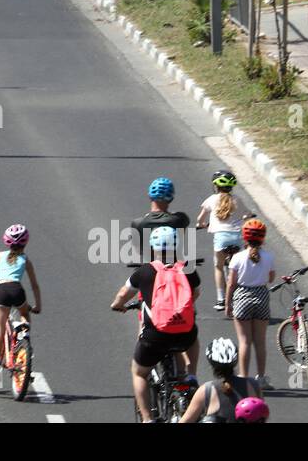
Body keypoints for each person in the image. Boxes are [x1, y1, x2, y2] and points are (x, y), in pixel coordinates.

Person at [110, 225, 201, 423]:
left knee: (139, 373)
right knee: (192, 335)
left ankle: (147, 418)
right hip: (183, 332)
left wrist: (117, 305)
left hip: (156, 335)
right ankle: (190, 377)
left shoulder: (144, 272)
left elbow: (122, 295)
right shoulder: (188, 267)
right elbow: (195, 293)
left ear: (153, 248)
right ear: (177, 246)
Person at [0, 225, 42, 373]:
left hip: (2, 292)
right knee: (24, 313)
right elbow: (34, 285)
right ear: (26, 242)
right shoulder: (26, 260)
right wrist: (37, 306)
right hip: (18, 291)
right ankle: (24, 333)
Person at [225, 217, 275, 389]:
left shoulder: (237, 257)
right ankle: (261, 377)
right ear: (263, 238)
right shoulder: (268, 257)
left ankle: (243, 378)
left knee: (244, 341)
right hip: (261, 295)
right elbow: (270, 278)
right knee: (260, 341)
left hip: (242, 295)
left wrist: (227, 303)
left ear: (244, 238)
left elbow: (231, 283)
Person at [195, 170, 247, 311]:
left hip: (221, 239)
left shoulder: (211, 200)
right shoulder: (237, 199)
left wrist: (201, 225)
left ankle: (220, 299)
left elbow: (200, 219)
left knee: (218, 266)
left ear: (215, 186)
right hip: (237, 238)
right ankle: (241, 295)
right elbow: (246, 214)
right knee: (238, 267)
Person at [179, 337, 261, 423]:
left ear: (211, 364)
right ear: (235, 361)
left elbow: (186, 421)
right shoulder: (253, 385)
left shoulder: (206, 390)